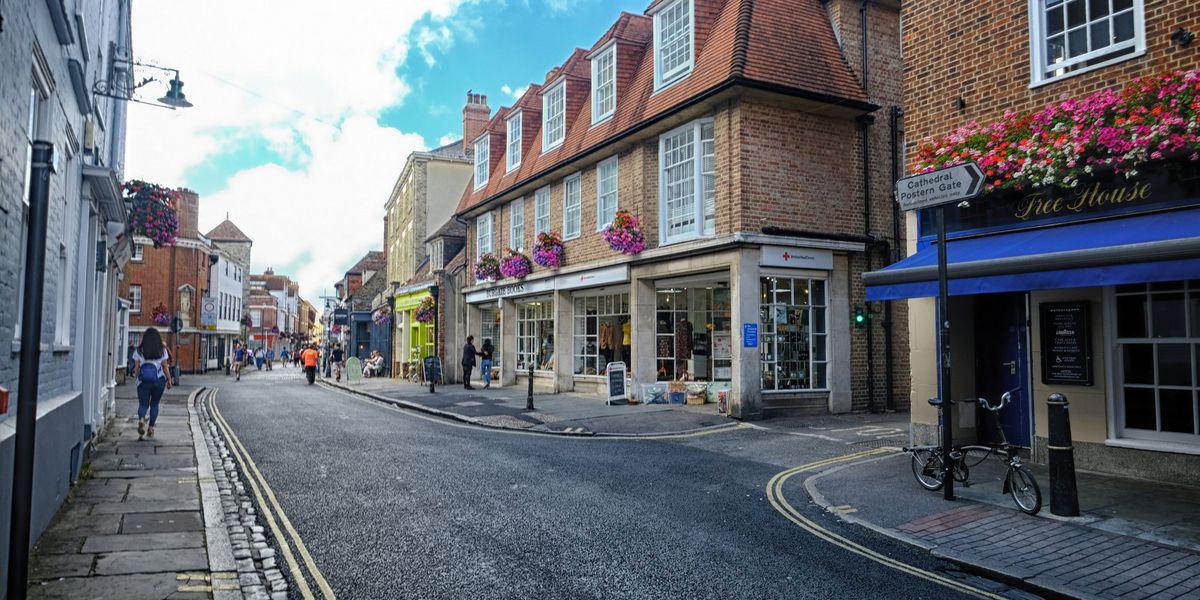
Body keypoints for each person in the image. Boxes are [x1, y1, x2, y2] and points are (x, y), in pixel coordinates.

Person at [132, 328, 172, 440]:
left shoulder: (139, 350)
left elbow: (136, 368)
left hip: (143, 382)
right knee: (154, 404)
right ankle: (150, 428)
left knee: (143, 404)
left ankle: (141, 419)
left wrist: (137, 378)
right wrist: (169, 380)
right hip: (158, 381)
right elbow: (165, 366)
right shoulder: (162, 350)